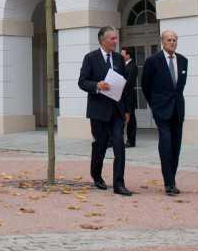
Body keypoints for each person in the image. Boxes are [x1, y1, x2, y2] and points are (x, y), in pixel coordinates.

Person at [77, 26, 132, 196]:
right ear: (103, 40)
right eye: (113, 39)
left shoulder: (119, 59)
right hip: (99, 111)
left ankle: (119, 184)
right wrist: (97, 86)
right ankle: (96, 175)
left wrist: (127, 110)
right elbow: (82, 82)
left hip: (117, 111)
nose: (116, 42)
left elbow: (125, 86)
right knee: (100, 145)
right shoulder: (90, 58)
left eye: (116, 38)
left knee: (119, 146)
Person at [141, 29, 189, 196]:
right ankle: (168, 183)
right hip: (161, 109)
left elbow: (180, 87)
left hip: (178, 109)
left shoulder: (183, 61)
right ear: (162, 42)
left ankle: (172, 179)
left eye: (175, 39)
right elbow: (145, 85)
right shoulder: (153, 61)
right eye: (169, 40)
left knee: (176, 145)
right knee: (166, 143)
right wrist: (154, 105)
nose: (172, 42)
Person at [120, 48, 139, 148]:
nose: (121, 56)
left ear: (128, 55)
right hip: (122, 96)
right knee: (122, 118)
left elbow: (129, 82)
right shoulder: (123, 65)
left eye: (122, 54)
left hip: (129, 96)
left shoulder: (133, 66)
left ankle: (131, 141)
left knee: (131, 119)